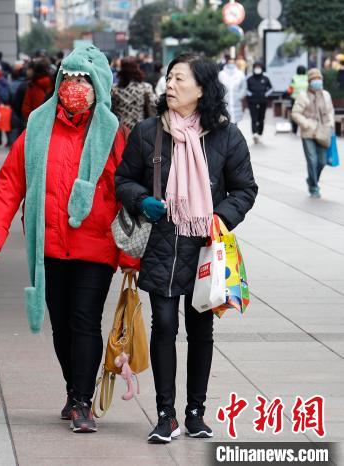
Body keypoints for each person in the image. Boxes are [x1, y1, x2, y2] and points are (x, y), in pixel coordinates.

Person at [0, 45, 139, 434]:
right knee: (63, 326)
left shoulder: (111, 132)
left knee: (84, 321)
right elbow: (12, 180)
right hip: (50, 245)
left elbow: (126, 190)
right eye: (68, 78)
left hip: (94, 245)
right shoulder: (38, 125)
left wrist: (130, 253)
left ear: (98, 84)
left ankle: (82, 401)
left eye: (82, 79)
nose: (74, 87)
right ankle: (74, 390)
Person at [116, 53, 257, 443]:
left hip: (205, 247)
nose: (170, 85)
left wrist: (222, 217)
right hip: (162, 245)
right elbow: (123, 179)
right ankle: (166, 415)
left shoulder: (227, 136)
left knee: (201, 329)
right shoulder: (149, 132)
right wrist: (141, 199)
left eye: (179, 79)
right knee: (163, 325)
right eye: (169, 78)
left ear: (202, 89)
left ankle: (195, 413)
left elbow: (245, 189)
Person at [291, 68, 335, 199]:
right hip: (308, 133)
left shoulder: (326, 94)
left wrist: (330, 124)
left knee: (321, 161)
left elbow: (331, 110)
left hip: (323, 132)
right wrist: (306, 124)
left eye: (319, 79)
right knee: (312, 160)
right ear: (309, 82)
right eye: (314, 79)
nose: (317, 81)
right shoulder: (302, 95)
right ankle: (314, 187)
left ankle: (311, 179)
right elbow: (295, 113)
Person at [111, 57, 156, 130]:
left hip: (120, 130)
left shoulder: (114, 89)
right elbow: (154, 106)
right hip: (140, 129)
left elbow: (111, 109)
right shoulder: (145, 87)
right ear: (137, 68)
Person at [246, 61, 273, 144]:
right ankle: (255, 133)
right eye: (256, 67)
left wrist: (266, 94)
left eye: (259, 67)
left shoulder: (265, 78)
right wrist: (250, 94)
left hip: (263, 101)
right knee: (254, 118)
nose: (258, 69)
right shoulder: (249, 78)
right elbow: (245, 88)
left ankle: (260, 133)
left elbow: (271, 88)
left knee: (261, 118)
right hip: (252, 101)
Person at [218, 56, 247, 124]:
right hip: (225, 101)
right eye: (230, 62)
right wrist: (221, 96)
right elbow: (218, 87)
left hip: (236, 101)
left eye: (233, 62)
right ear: (227, 63)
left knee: (235, 122)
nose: (231, 64)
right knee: (225, 121)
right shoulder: (221, 74)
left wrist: (240, 96)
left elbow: (244, 87)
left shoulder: (240, 74)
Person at [287, 66, 309, 134]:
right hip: (306, 99)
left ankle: (294, 130)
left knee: (295, 114)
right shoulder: (307, 78)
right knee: (306, 114)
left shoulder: (294, 78)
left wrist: (288, 94)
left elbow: (290, 89)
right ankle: (305, 128)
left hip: (295, 99)